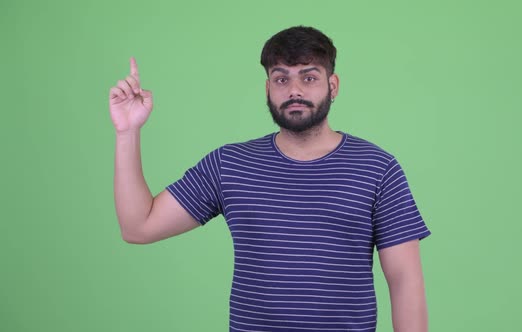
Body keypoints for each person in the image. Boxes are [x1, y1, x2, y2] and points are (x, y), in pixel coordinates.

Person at [110, 26, 431, 332]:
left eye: (309, 77)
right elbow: (139, 226)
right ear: (267, 89)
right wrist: (127, 131)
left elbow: (404, 279)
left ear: (332, 86)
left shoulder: (377, 168)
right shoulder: (230, 165)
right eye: (281, 79)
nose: (294, 90)